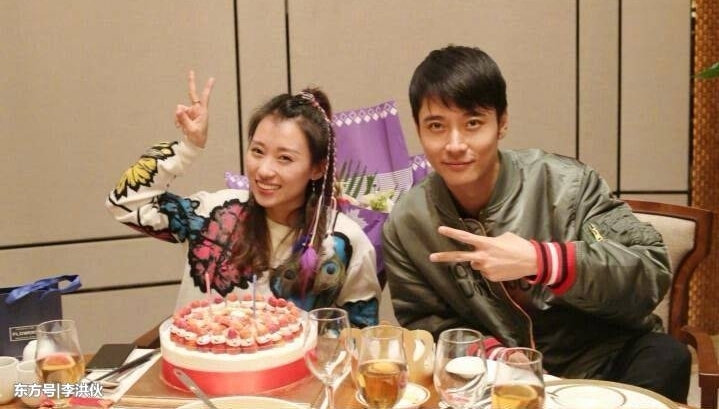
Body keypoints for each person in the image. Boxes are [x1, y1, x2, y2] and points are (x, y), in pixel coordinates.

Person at [382, 45, 690, 402]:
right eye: (436, 126)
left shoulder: (567, 186)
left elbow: (649, 270)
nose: (454, 144)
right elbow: (426, 321)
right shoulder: (407, 223)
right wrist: (495, 354)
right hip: (498, 377)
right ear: (418, 129)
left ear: (502, 123)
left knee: (667, 356)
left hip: (602, 360)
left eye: (473, 123)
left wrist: (541, 260)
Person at [106, 71, 381, 327]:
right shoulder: (214, 212)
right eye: (257, 151)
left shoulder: (344, 240)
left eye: (285, 158)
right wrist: (188, 148)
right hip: (200, 361)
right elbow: (126, 203)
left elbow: (360, 334)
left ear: (317, 168)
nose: (264, 170)